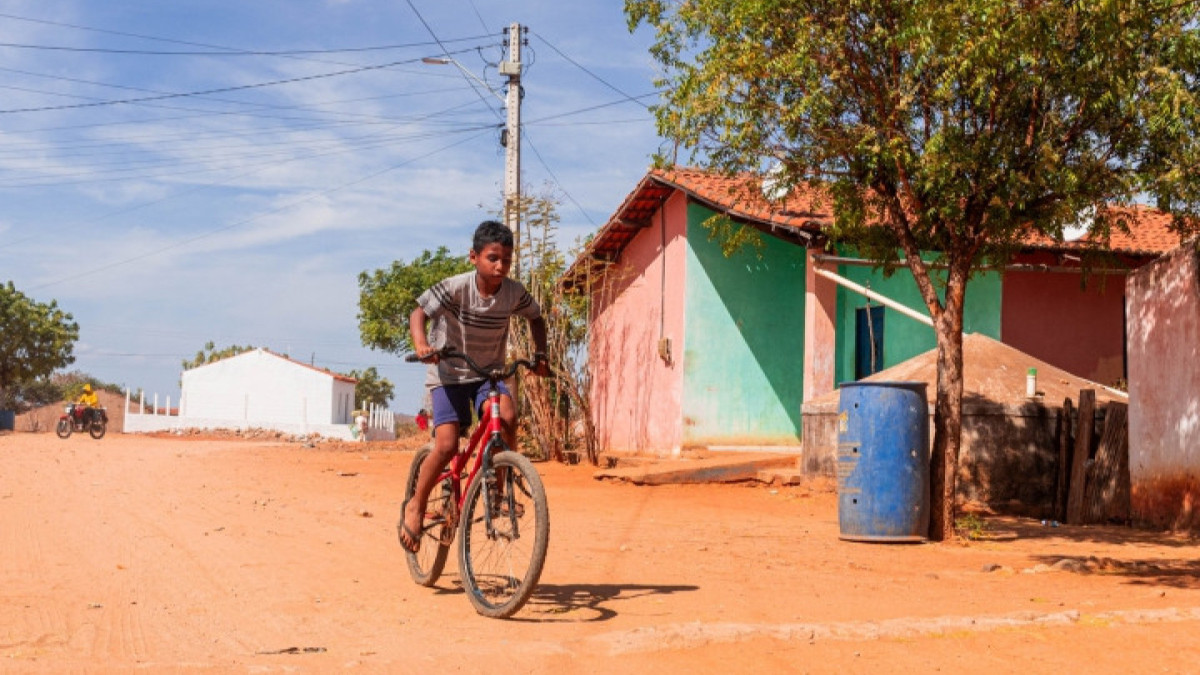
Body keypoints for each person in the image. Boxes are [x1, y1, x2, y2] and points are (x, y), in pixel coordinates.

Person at [398, 220, 549, 553]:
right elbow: (418, 312)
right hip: (448, 373)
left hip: (487, 374)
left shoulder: (513, 293)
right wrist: (423, 345)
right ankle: (416, 505)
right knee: (448, 444)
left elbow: (536, 318)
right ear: (474, 257)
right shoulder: (456, 287)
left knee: (507, 418)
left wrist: (540, 356)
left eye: (506, 260)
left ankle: (500, 493)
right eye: (493, 258)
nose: (500, 266)